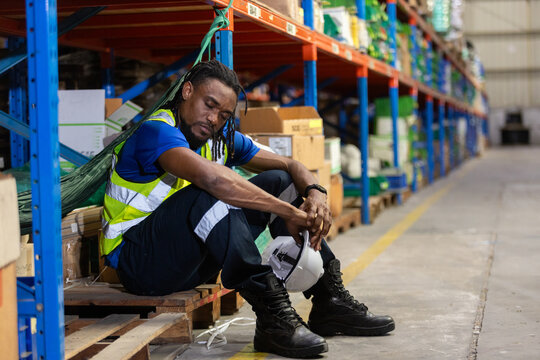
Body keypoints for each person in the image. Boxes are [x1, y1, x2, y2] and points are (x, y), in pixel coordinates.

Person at [100, 60, 394, 358]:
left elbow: (291, 165)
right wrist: (289, 213)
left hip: (188, 261)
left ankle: (329, 300)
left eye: (223, 114)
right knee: (212, 190)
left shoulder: (216, 139)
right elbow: (212, 179)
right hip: (141, 264)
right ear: (187, 91)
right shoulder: (157, 131)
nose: (213, 118)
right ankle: (273, 319)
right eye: (209, 105)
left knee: (281, 181)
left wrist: (316, 193)